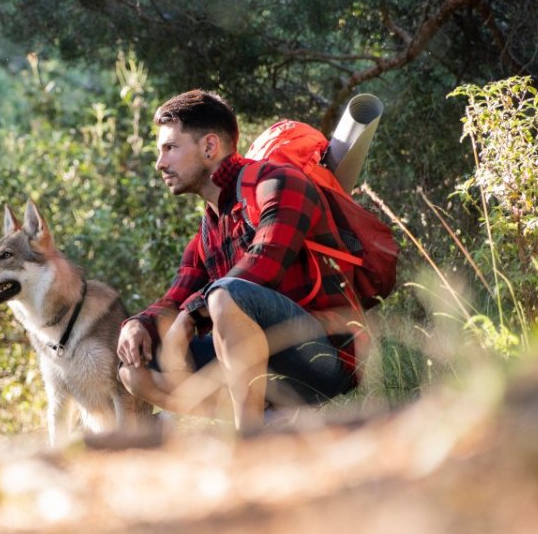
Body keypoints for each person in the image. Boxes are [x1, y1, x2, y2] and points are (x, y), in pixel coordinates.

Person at [116, 90, 360, 432]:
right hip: (263, 370)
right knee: (136, 370)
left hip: (323, 363)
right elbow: (175, 296)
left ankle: (249, 437)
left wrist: (190, 316)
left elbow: (266, 263)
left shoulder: (277, 183)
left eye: (170, 148)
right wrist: (137, 323)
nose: (160, 163)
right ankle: (266, 416)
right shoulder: (207, 230)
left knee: (225, 295)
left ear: (209, 147)